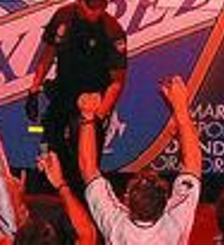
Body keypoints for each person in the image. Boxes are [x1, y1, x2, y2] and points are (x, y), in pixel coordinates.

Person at [26, 0, 127, 185]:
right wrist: (34, 89)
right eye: (92, 6)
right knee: (53, 150)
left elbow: (117, 81)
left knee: (85, 166)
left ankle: (83, 206)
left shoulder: (112, 31)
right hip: (62, 95)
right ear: (79, 1)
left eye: (101, 5)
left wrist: (97, 117)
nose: (97, 11)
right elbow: (48, 53)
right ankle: (59, 196)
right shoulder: (63, 18)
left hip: (91, 102)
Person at [79, 75, 201, 244]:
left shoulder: (116, 226)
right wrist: (181, 108)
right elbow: (193, 164)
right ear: (166, 203)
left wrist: (87, 115)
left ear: (126, 199)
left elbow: (88, 169)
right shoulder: (174, 225)